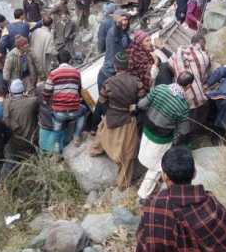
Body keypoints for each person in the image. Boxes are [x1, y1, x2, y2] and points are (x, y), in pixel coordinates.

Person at [135, 146, 226, 252]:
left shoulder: (154, 207)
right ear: (194, 173)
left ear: (164, 176)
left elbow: (144, 248)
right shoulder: (212, 204)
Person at [90, 52, 145, 189]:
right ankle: (123, 183)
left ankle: (96, 150)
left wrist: (110, 109)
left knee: (101, 132)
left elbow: (102, 101)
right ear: (128, 66)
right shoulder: (137, 82)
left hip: (112, 116)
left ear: (115, 67)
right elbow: (143, 100)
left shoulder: (108, 83)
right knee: (128, 153)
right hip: (129, 118)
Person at [136, 72, 194, 200]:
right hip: (161, 139)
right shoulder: (183, 105)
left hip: (147, 129)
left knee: (146, 152)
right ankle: (142, 195)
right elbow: (184, 131)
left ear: (176, 79)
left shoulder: (160, 88)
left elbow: (141, 105)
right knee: (157, 166)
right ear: (189, 86)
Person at [43, 50, 89, 146]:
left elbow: (46, 92)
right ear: (70, 60)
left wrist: (48, 103)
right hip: (74, 110)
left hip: (59, 112)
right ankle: (76, 136)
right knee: (84, 110)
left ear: (58, 61)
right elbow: (79, 89)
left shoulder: (53, 74)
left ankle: (56, 147)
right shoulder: (76, 72)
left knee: (57, 125)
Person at [168, 36, 211, 136]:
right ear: (201, 43)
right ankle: (194, 134)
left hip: (181, 91)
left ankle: (183, 135)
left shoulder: (178, 52)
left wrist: (179, 72)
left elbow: (170, 65)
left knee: (186, 117)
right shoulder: (203, 55)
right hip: (196, 94)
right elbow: (204, 75)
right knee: (198, 112)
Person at [1, 79, 40, 179]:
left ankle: (9, 179)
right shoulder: (32, 102)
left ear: (10, 91)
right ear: (23, 90)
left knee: (12, 162)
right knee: (33, 160)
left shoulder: (6, 103)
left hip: (14, 141)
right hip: (30, 140)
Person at [97, 9, 131, 89]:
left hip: (116, 74)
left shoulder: (124, 33)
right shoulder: (113, 32)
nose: (124, 22)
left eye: (126, 20)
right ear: (116, 21)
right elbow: (116, 31)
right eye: (122, 20)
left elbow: (130, 44)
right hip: (107, 74)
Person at [36, 84, 60, 154]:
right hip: (56, 126)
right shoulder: (60, 91)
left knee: (43, 149)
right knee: (55, 150)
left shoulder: (39, 89)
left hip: (44, 125)